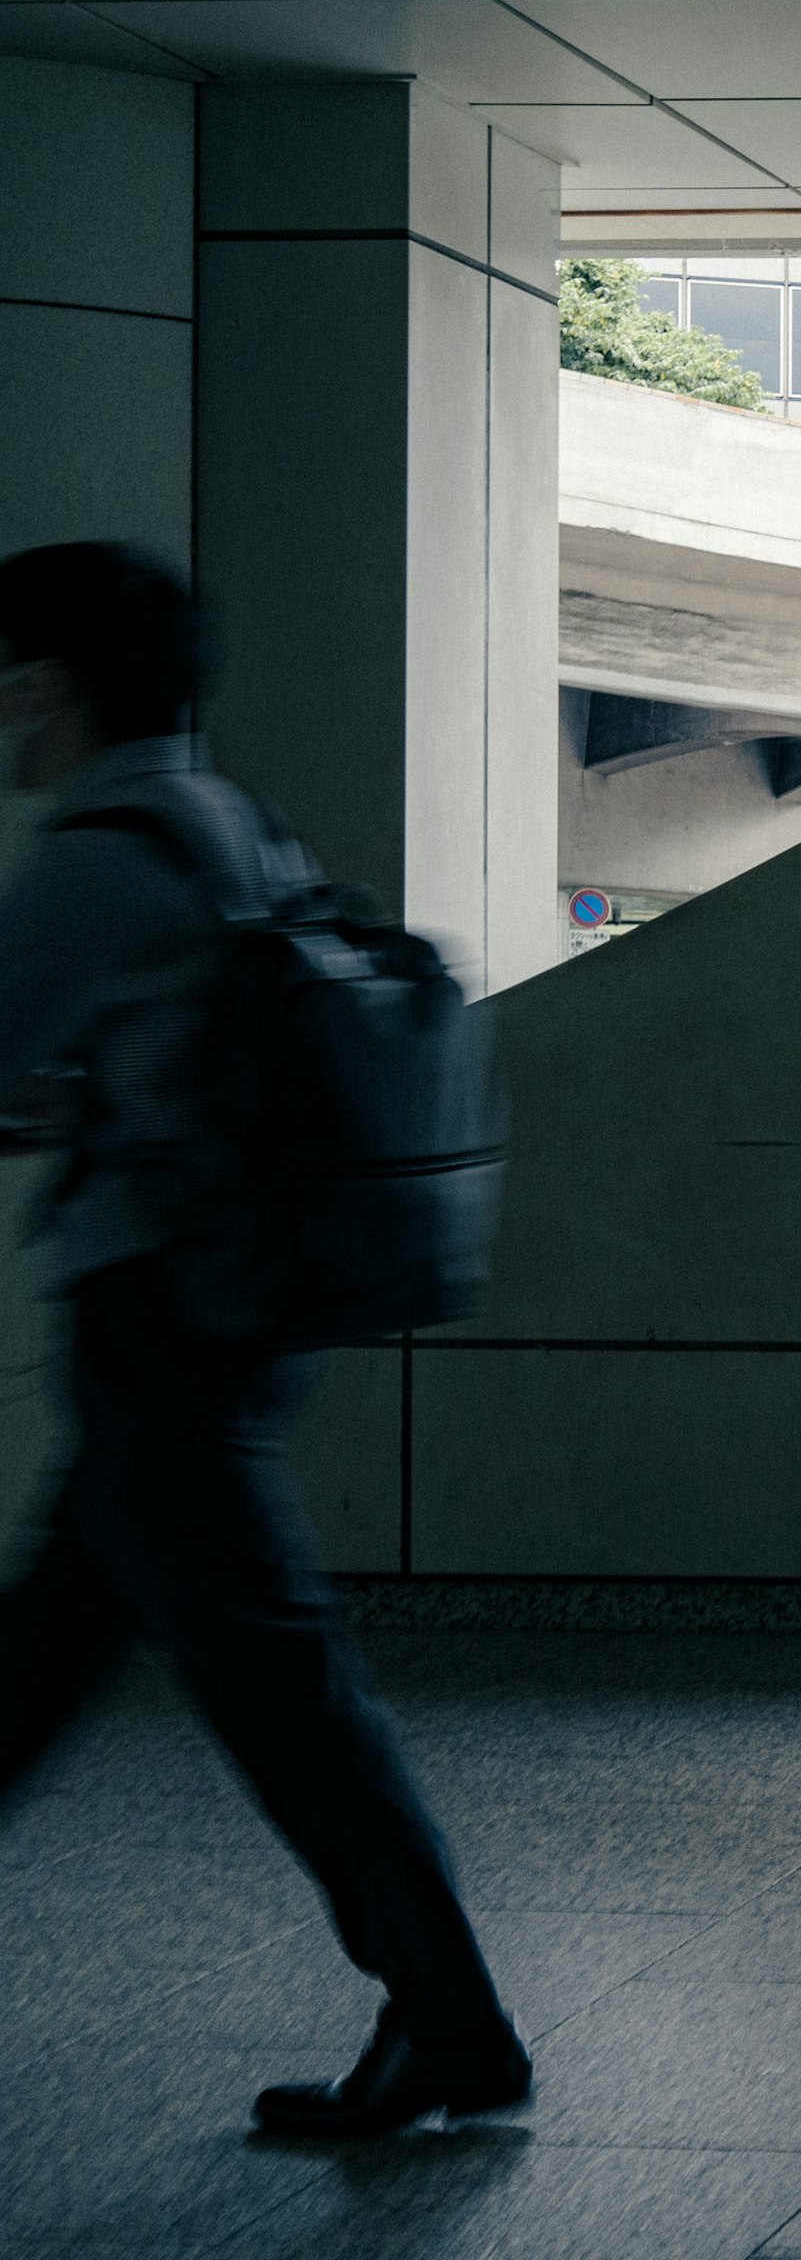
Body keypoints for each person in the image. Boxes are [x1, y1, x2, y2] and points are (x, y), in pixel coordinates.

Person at [0, 543, 527, 2136]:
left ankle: (453, 2025)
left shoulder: (98, 853)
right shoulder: (230, 818)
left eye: (9, 674)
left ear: (51, 681)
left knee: (288, 1698)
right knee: (36, 1665)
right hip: (235, 1306)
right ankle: (448, 2021)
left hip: (166, 1321)